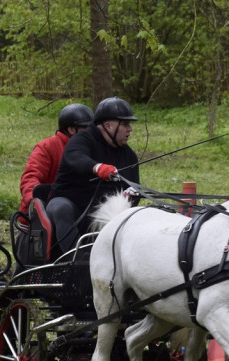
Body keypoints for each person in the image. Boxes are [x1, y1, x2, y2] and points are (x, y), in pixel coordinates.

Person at [46, 96, 142, 255]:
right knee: (62, 209)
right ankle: (74, 259)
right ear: (108, 125)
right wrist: (97, 168)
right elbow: (75, 157)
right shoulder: (81, 140)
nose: (129, 129)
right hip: (71, 204)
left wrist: (130, 195)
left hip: (105, 213)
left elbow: (133, 186)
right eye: (125, 124)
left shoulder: (129, 155)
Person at [18, 103, 94, 215]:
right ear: (72, 129)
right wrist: (36, 202)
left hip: (79, 211)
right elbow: (30, 177)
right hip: (42, 214)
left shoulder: (92, 148)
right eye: (86, 129)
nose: (91, 133)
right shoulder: (47, 147)